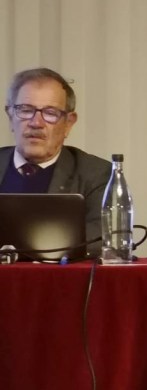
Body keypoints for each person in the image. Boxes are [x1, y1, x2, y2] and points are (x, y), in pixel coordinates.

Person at [1, 68, 111, 256]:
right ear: (10, 117)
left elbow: (103, 236)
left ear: (68, 123)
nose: (36, 123)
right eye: (25, 110)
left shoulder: (95, 173)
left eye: (50, 113)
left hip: (58, 274)